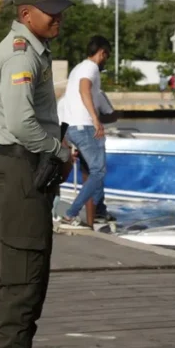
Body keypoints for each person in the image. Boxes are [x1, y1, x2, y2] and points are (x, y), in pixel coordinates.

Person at [0, 0, 74, 348]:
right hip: (20, 172)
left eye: (59, 7)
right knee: (21, 289)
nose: (58, 16)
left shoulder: (31, 51)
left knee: (29, 284)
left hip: (23, 174)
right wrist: (58, 150)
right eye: (50, 10)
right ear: (25, 14)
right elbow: (21, 123)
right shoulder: (21, 55)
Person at [58, 35, 114, 228]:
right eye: (106, 56)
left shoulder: (77, 68)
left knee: (90, 172)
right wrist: (96, 119)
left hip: (72, 127)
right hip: (85, 126)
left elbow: (69, 98)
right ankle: (71, 213)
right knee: (99, 172)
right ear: (102, 53)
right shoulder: (90, 68)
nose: (105, 60)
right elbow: (84, 90)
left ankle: (97, 213)